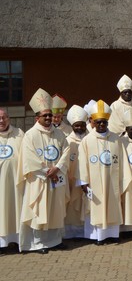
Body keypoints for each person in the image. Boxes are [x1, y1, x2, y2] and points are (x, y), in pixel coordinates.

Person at [19, 88, 70, 253]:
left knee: (56, 208)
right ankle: (39, 243)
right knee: (40, 210)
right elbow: (29, 158)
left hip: (55, 177)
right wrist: (47, 172)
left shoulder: (59, 134)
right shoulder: (30, 135)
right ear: (37, 118)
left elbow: (66, 151)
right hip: (39, 180)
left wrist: (57, 168)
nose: (48, 118)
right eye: (44, 115)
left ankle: (55, 240)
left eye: (50, 115)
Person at [77, 100, 124, 245]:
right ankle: (97, 236)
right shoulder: (87, 140)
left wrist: (122, 179)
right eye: (98, 122)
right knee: (96, 207)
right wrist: (84, 183)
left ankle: (113, 234)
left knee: (112, 204)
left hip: (113, 181)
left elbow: (122, 161)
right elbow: (82, 163)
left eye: (104, 122)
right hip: (95, 183)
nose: (101, 125)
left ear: (108, 122)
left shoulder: (116, 139)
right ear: (93, 122)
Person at [0, 107, 24, 252]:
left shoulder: (19, 134)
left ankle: (15, 240)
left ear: (9, 118)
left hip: (15, 183)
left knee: (14, 210)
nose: (1, 120)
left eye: (4, 117)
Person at [63, 105, 89, 239]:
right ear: (72, 126)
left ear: (86, 124)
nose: (79, 128)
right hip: (72, 180)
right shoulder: (67, 141)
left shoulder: (91, 139)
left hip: (88, 181)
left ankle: (88, 232)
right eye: (76, 126)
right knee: (72, 207)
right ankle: (72, 234)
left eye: (82, 125)